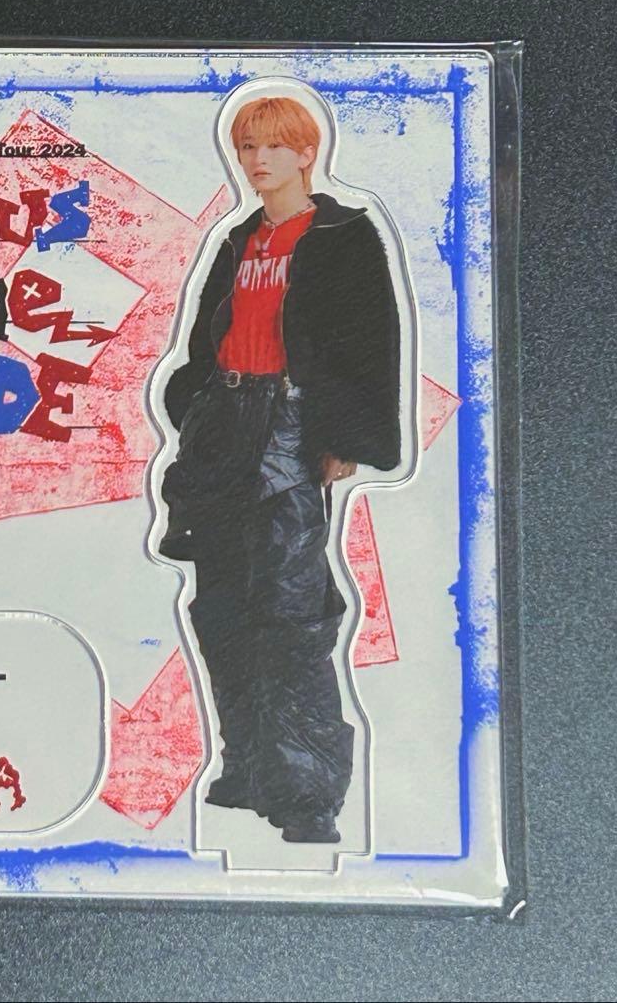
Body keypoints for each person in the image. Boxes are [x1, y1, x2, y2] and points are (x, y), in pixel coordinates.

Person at [159, 95, 401, 843]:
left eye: (273, 146)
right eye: (247, 147)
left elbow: (371, 339)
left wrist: (342, 433)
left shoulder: (341, 235)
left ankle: (306, 794)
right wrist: (194, 404)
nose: (258, 160)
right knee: (221, 605)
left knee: (291, 611)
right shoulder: (240, 239)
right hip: (223, 425)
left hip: (291, 423)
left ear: (305, 153)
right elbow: (208, 338)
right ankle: (249, 766)